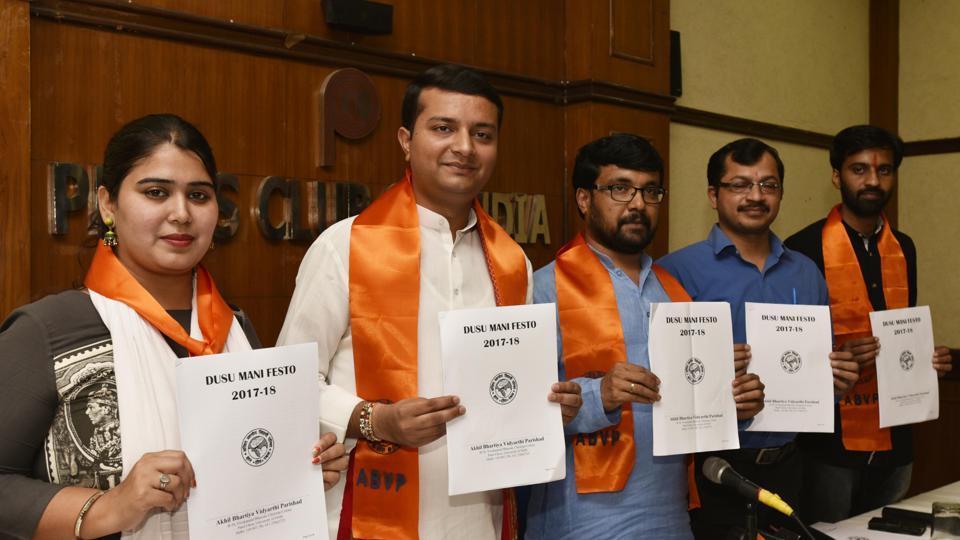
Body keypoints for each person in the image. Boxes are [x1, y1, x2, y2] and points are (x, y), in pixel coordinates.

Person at [0, 114, 347, 540]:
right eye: (156, 192)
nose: (181, 213)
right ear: (108, 204)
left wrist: (298, 469)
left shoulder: (235, 328)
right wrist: (109, 507)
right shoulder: (47, 330)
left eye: (198, 195)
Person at [277, 64, 582, 540]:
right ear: (406, 140)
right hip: (365, 515)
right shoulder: (345, 246)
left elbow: (510, 387)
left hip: (479, 518)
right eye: (443, 128)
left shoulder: (512, 262)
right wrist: (377, 421)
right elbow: (288, 383)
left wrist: (548, 406)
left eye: (482, 134)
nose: (465, 147)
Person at [525, 134, 766, 539]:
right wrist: (599, 395)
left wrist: (734, 402)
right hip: (581, 522)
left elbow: (690, 405)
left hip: (670, 514)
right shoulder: (543, 289)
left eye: (650, 191)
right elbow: (516, 419)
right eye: (620, 189)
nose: (638, 203)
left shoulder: (674, 291)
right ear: (584, 199)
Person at [657, 138, 859, 539]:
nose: (755, 196)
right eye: (739, 185)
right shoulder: (674, 272)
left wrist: (837, 383)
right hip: (712, 469)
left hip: (790, 466)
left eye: (768, 185)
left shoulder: (806, 273)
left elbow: (818, 371)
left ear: (781, 193)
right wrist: (713, 383)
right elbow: (661, 384)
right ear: (713, 195)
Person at [784, 125, 953, 523]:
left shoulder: (903, 247)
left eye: (884, 170)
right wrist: (836, 355)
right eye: (859, 169)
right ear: (836, 176)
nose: (873, 180)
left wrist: (926, 358)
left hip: (897, 435)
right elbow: (789, 350)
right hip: (831, 442)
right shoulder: (801, 249)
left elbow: (902, 327)